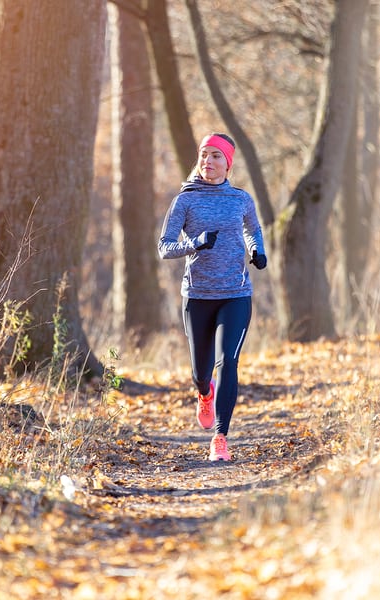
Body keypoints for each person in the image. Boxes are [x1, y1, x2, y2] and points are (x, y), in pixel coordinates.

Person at [157, 132, 267, 462]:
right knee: (201, 373)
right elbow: (164, 247)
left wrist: (256, 250)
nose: (208, 161)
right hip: (198, 296)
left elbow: (253, 228)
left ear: (228, 164)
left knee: (227, 362)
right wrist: (195, 243)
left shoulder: (241, 199)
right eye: (204, 155)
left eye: (216, 156)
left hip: (236, 294)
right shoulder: (185, 201)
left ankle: (220, 437)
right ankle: (205, 393)